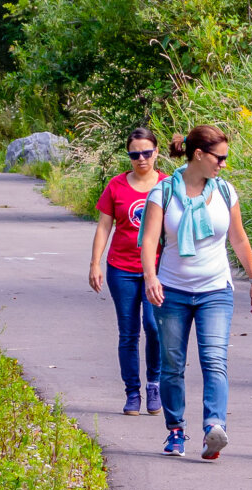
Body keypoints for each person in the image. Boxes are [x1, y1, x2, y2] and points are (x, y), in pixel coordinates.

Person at [139, 125, 252, 460]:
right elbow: (149, 240)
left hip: (215, 290)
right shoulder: (162, 193)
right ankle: (176, 431)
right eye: (219, 158)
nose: (223, 164)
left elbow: (238, 239)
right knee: (172, 364)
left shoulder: (225, 192)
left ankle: (214, 429)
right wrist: (150, 278)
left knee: (215, 361)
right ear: (199, 155)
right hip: (172, 291)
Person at [89, 128, 168, 416]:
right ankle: (132, 392)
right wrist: (95, 263)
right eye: (135, 154)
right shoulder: (117, 186)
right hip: (121, 267)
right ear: (129, 156)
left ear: (156, 152)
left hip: (157, 270)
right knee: (128, 333)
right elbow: (103, 226)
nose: (141, 158)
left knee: (154, 326)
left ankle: (154, 385)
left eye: (147, 152)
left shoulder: (167, 185)